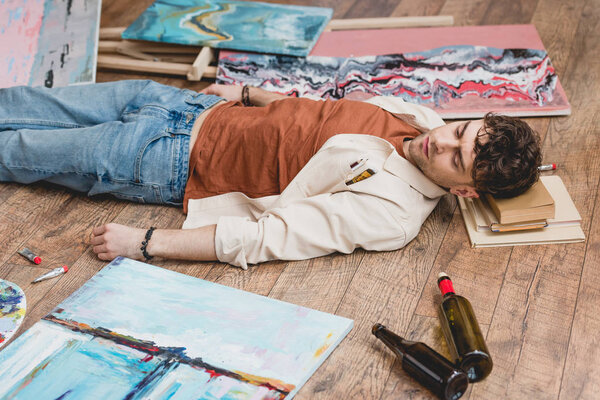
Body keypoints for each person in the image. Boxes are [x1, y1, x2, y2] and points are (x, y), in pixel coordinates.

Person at [0, 80, 541, 269]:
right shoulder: (422, 120)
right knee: (21, 102)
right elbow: (319, 113)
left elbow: (267, 239)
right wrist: (247, 94)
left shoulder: (393, 213)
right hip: (187, 107)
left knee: (18, 148)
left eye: (456, 156)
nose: (442, 139)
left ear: (465, 189)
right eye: (462, 129)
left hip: (162, 159)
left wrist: (145, 243)